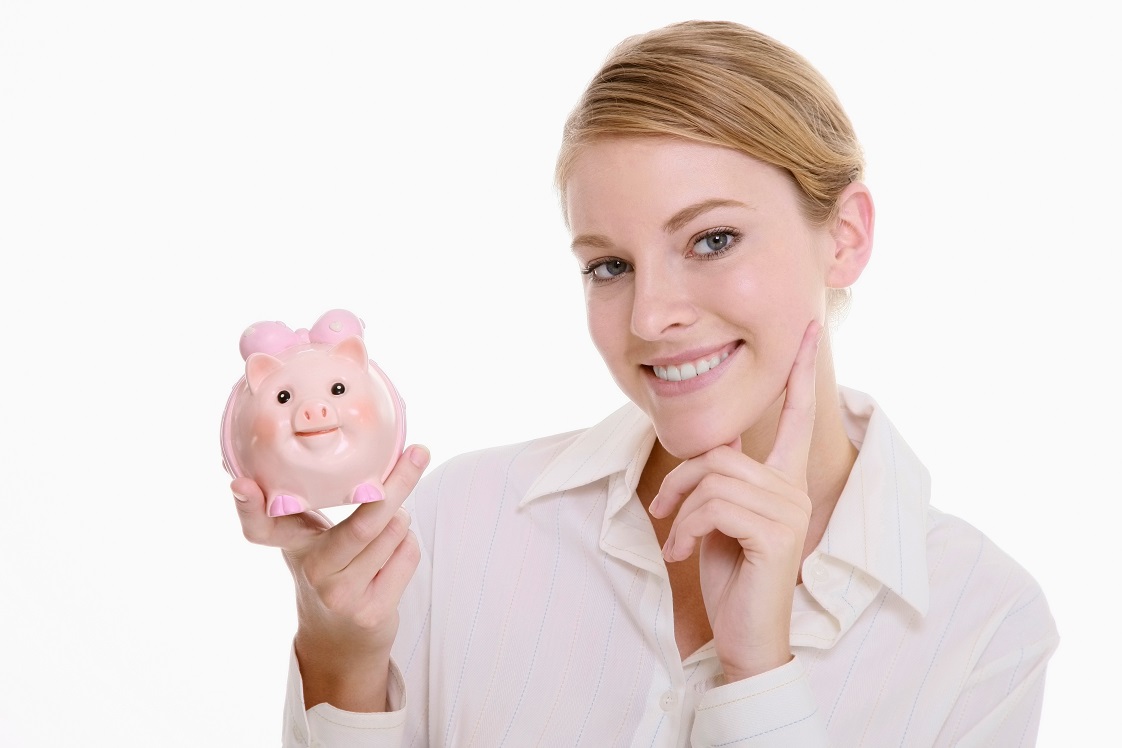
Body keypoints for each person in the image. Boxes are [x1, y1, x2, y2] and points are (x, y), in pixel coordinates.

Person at [232, 19, 1058, 747]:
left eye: (711, 240)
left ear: (844, 237)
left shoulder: (983, 626)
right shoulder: (459, 524)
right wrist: (340, 653)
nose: (650, 316)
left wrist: (759, 674)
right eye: (610, 265)